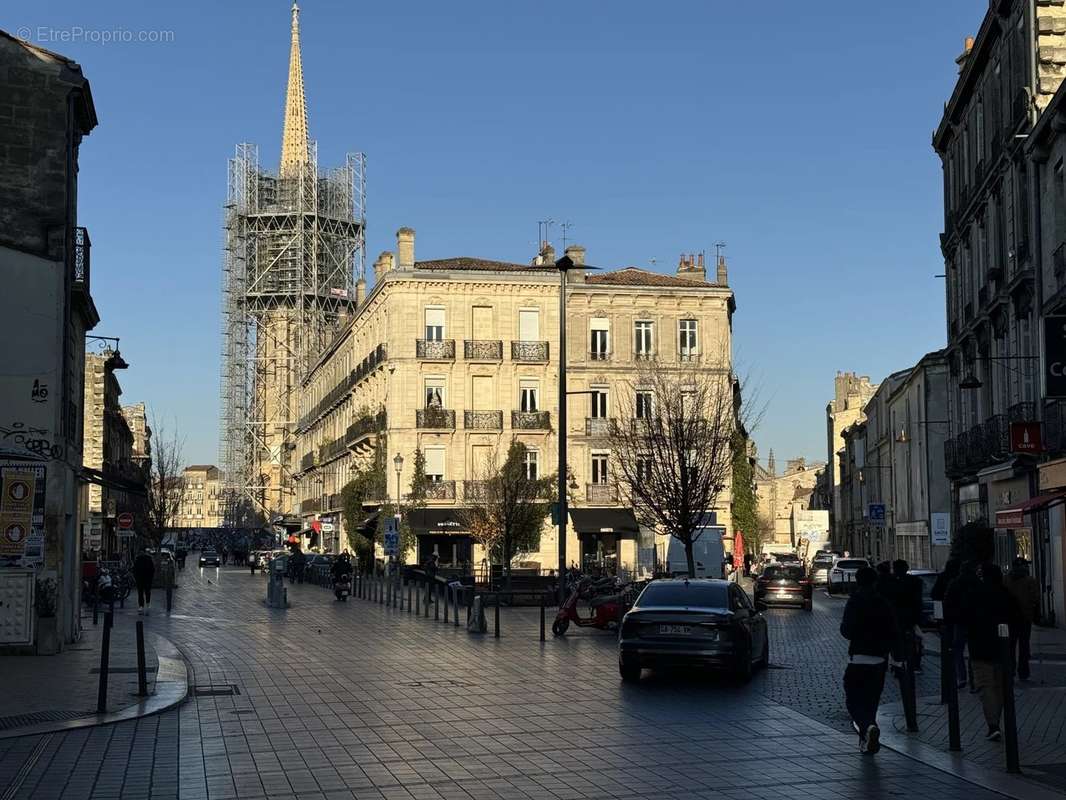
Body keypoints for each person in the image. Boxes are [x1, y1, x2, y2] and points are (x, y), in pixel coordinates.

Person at [840, 566, 898, 754]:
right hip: (879, 659)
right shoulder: (883, 603)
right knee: (871, 700)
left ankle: (867, 728)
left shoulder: (855, 602)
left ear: (857, 581)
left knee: (854, 700)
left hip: (858, 657)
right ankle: (868, 735)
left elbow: (846, 630)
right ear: (875, 582)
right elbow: (892, 630)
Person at [965, 563, 1020, 741]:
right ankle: (996, 720)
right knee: (1001, 687)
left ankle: (993, 724)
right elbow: (1017, 620)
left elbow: (965, 617)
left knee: (986, 687)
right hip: (1003, 650)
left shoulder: (974, 595)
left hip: (980, 650)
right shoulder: (1007, 596)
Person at [944, 560, 981, 689]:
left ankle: (961, 677)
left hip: (959, 621)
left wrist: (950, 619)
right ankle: (974, 680)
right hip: (975, 621)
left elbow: (947, 602)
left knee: (958, 650)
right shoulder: (977, 583)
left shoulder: (955, 583)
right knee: (974, 650)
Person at [1005, 557, 1039, 681]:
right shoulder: (1030, 580)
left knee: (1011, 646)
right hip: (1025, 617)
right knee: (1024, 646)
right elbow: (1035, 598)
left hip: (1010, 617)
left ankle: (1011, 670)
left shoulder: (1007, 579)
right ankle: (1023, 672)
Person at [892, 559, 925, 673]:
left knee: (898, 642)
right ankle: (916, 664)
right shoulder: (916, 581)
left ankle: (898, 664)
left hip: (898, 618)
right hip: (912, 616)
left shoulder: (892, 582)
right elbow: (918, 600)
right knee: (916, 641)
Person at [133, 546, 156, 616]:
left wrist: (151, 577)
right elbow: (135, 569)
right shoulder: (138, 559)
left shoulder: (148, 559)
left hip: (147, 579)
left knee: (147, 592)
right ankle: (141, 606)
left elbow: (152, 569)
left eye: (142, 552)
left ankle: (147, 604)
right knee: (140, 593)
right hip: (140, 579)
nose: (141, 553)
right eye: (140, 552)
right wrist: (136, 577)